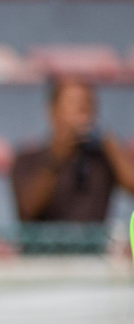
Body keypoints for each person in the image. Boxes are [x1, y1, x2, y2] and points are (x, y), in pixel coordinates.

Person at [12, 76, 134, 238]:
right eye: (73, 104)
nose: (82, 112)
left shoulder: (103, 159)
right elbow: (27, 210)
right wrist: (57, 157)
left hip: (93, 257)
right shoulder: (27, 159)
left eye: (87, 105)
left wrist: (109, 142)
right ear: (53, 111)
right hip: (41, 258)